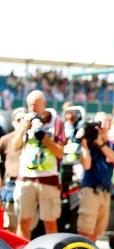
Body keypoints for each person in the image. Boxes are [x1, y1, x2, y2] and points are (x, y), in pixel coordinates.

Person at [13, 90, 66, 239]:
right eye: (30, 105)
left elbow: (60, 152)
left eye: (36, 104)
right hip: (26, 179)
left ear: (45, 104)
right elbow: (14, 146)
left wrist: (44, 137)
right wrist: (24, 127)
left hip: (48, 179)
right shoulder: (25, 120)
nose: (33, 108)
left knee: (49, 222)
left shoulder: (56, 122)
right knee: (23, 221)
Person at [77, 112, 114, 241]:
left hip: (106, 193)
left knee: (97, 232)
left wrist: (101, 143)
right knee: (85, 231)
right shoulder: (89, 145)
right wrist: (84, 144)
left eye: (107, 121)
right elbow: (86, 165)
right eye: (100, 122)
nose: (104, 125)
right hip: (91, 190)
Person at [0, 107, 26, 233]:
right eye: (18, 119)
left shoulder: (34, 139)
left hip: (30, 182)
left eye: (24, 119)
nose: (22, 122)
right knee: (11, 223)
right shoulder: (5, 140)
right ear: (13, 122)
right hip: (11, 184)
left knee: (26, 221)